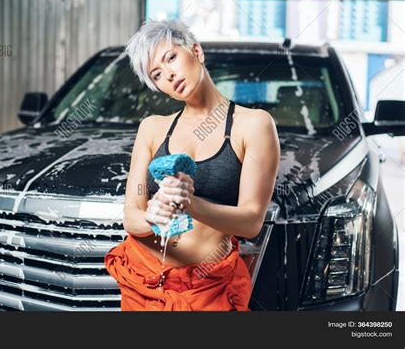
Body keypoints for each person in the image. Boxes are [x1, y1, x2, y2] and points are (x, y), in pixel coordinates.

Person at [104, 18, 280, 311]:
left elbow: (251, 222)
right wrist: (151, 216)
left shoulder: (254, 125)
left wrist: (190, 203)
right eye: (157, 74)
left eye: (171, 57)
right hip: (142, 280)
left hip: (206, 287)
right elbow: (131, 215)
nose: (169, 75)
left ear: (196, 51)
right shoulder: (152, 128)